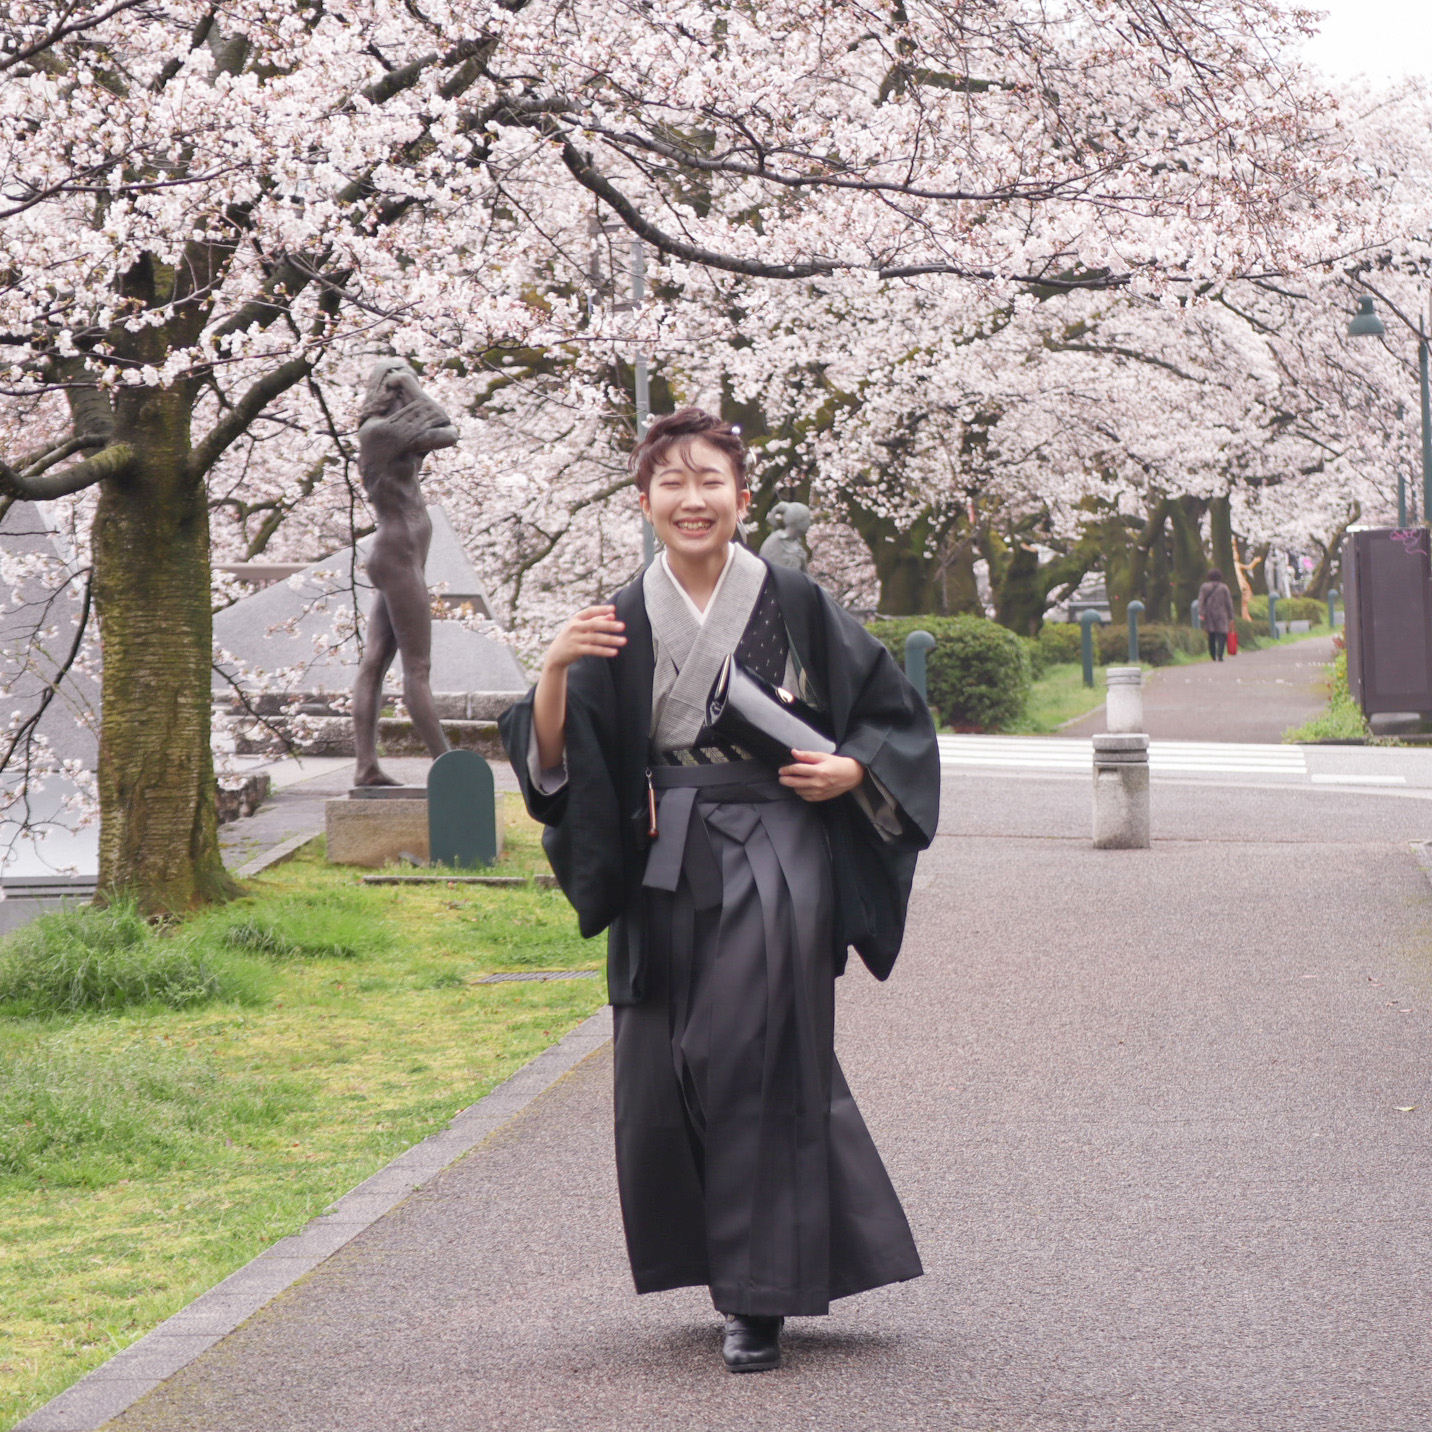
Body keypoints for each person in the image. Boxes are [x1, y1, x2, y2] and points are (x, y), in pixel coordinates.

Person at [500, 408, 940, 1374]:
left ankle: (758, 1299)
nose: (692, 500)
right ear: (645, 499)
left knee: (756, 1054)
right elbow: (561, 764)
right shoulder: (617, 616)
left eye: (711, 483)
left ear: (743, 498)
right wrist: (553, 671)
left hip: (777, 838)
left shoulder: (794, 597)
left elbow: (892, 718)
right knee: (671, 1062)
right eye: (672, 483)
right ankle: (724, 1264)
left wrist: (856, 772)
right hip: (665, 849)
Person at [351, 359, 460, 787]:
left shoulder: (397, 434)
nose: (406, 394)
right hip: (396, 553)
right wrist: (412, 384)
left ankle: (366, 768)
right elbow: (446, 429)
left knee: (375, 659)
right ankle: (448, 766)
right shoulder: (377, 432)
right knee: (417, 667)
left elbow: (443, 430)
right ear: (386, 388)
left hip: (403, 554)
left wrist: (410, 388)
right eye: (398, 386)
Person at [1198, 567, 1235, 662]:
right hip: (1222, 613)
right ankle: (1220, 654)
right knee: (1222, 634)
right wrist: (1231, 616)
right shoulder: (1224, 587)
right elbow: (1228, 602)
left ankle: (1213, 655)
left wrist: (1201, 612)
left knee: (1211, 634)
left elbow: (1201, 600)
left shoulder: (1204, 587)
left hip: (1209, 613)